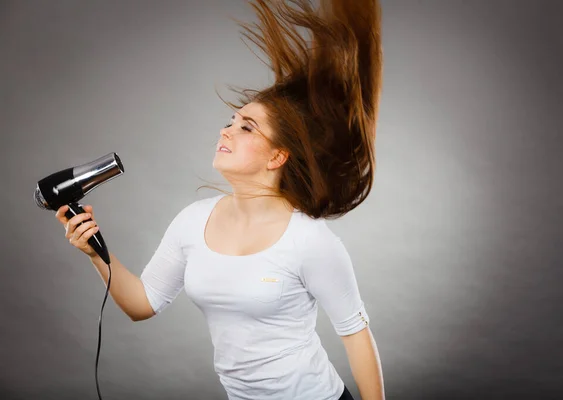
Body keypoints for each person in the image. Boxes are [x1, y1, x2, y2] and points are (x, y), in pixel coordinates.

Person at [55, 0, 384, 399]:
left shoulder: (310, 241)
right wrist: (95, 254)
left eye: (246, 127)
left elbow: (356, 336)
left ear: (277, 156)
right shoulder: (193, 221)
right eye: (230, 122)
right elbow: (142, 303)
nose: (226, 131)